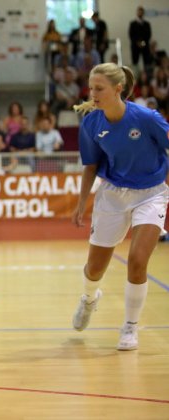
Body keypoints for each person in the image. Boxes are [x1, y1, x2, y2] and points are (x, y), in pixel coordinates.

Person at [71, 62, 169, 351]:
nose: (93, 93)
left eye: (99, 88)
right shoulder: (91, 122)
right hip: (113, 195)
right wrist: (81, 203)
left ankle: (130, 327)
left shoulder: (146, 118)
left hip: (151, 193)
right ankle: (89, 298)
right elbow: (91, 166)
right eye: (91, 88)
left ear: (118, 89)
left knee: (138, 261)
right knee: (94, 269)